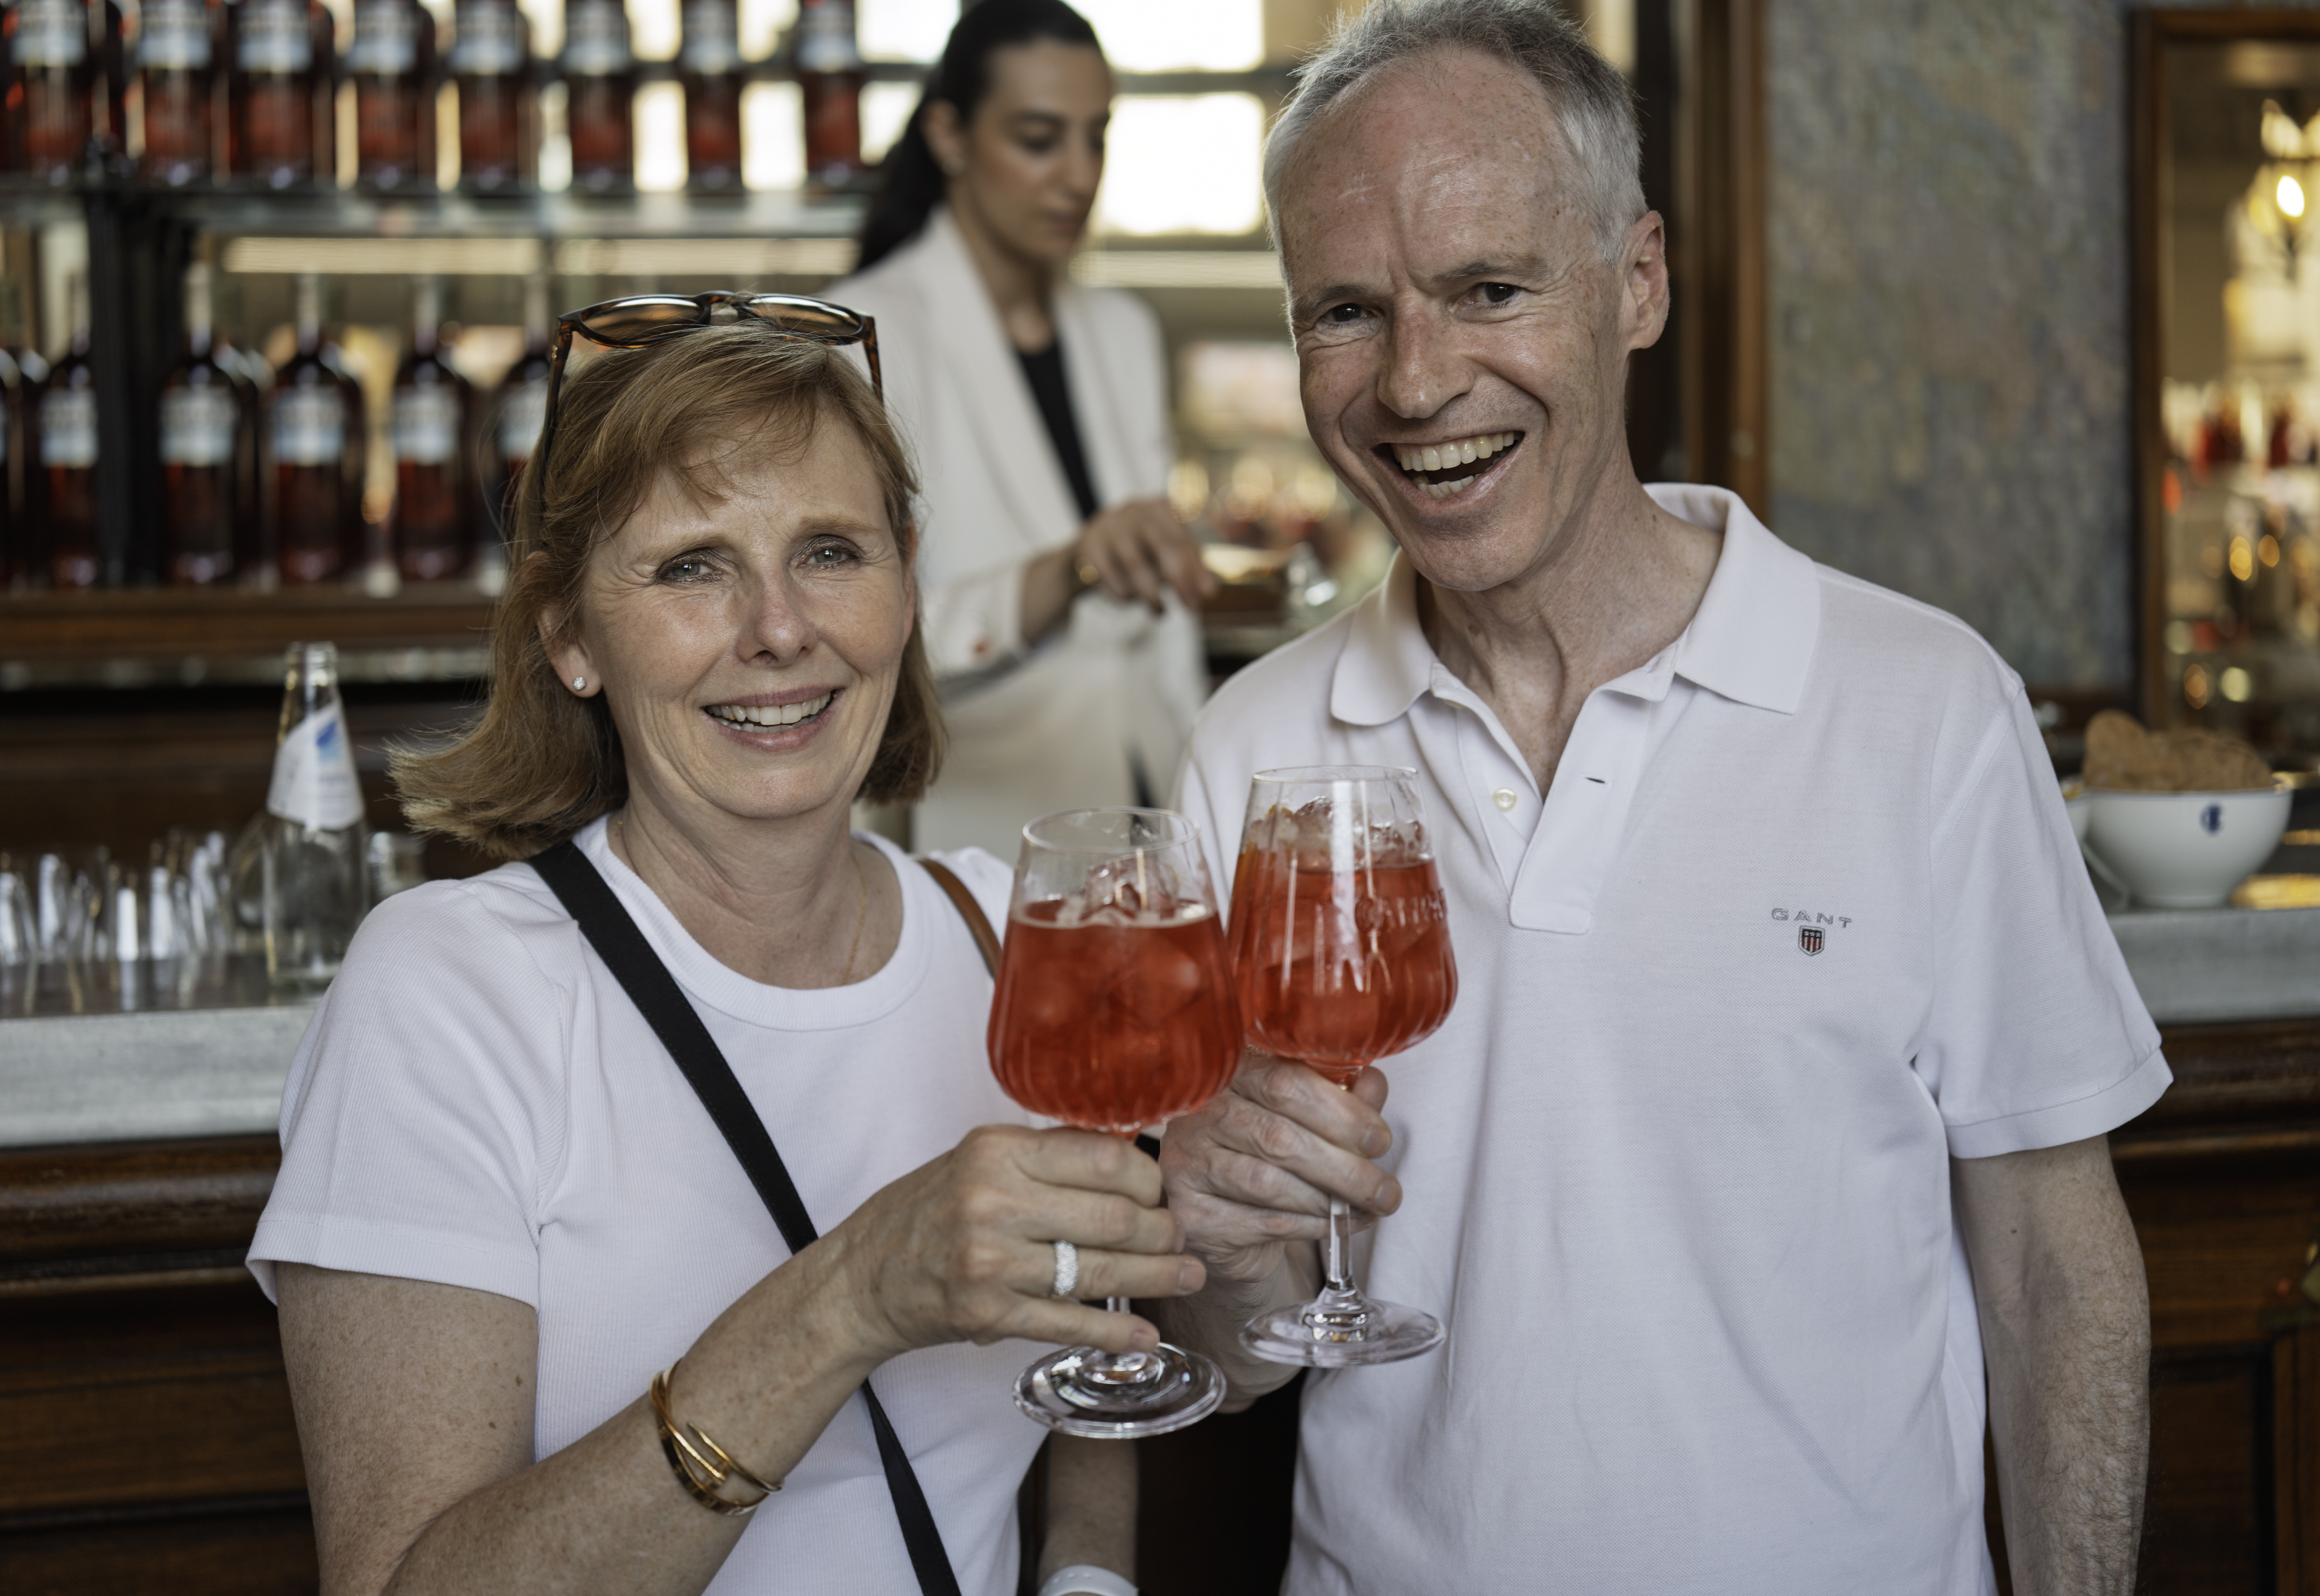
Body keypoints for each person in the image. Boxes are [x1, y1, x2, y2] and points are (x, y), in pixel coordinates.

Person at [1153, 3, 2166, 1592]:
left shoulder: (1922, 704)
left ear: (1638, 283)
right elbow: (1250, 1352)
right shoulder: (1254, 750)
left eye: (1490, 290)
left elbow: (2055, 1268)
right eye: (1345, 311)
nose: (1416, 383)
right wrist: (1215, 1233)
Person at [246, 318, 1198, 1596]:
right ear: (569, 636)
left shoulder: (1010, 941)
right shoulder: (448, 993)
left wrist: (1089, 1577)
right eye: (693, 566)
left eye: (829, 551)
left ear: (906, 584)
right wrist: (846, 1300)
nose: (778, 628)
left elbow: (1099, 1349)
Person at [831, 0, 1214, 859]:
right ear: (950, 136)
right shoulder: (862, 335)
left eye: (1096, 138)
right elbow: (846, 628)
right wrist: (1075, 565)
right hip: (979, 822)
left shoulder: (1123, 331)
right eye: (1040, 139)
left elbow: (1164, 636)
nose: (1078, 175)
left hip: (1156, 804)